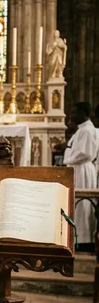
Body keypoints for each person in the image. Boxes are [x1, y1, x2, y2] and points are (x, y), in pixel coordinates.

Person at [64, 102, 99, 249]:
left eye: (74, 112)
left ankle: (83, 239)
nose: (71, 116)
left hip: (82, 169)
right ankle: (80, 237)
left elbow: (85, 153)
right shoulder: (82, 129)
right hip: (79, 168)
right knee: (78, 205)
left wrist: (67, 157)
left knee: (83, 204)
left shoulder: (87, 130)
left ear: (84, 114)